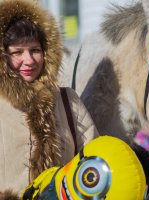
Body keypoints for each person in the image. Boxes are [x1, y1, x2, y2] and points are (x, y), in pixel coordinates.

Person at [0, 0, 99, 199]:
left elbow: (95, 160)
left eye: (35, 50)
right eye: (17, 52)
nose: (29, 60)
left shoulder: (67, 101)